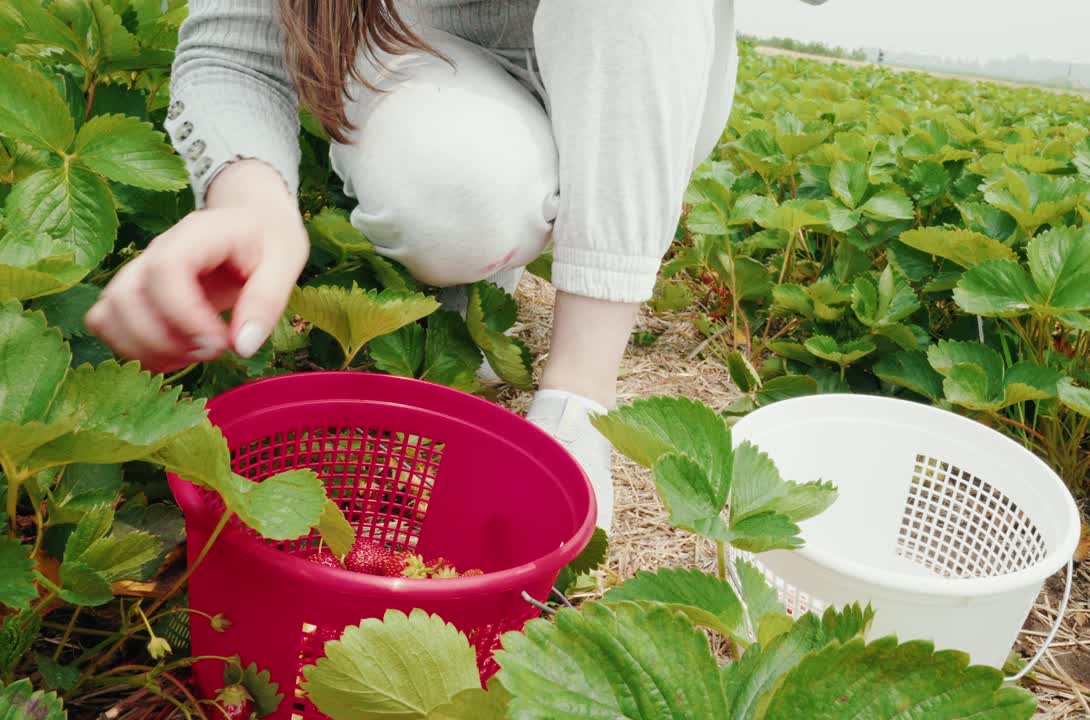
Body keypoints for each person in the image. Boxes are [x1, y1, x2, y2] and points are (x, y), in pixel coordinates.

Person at [85, 0, 824, 532]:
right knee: (452, 195)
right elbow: (233, 47)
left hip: (648, 68)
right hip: (442, 60)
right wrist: (248, 198)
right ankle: (484, 262)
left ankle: (579, 397)